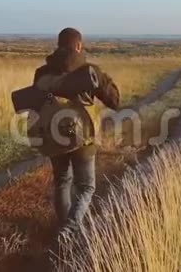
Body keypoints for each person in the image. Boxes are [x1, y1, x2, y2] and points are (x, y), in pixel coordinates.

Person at [33, 27, 119, 235]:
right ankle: (70, 229)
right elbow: (115, 101)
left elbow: (36, 104)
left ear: (59, 45)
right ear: (79, 46)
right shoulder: (90, 70)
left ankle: (63, 226)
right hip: (84, 139)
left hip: (54, 134)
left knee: (62, 181)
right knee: (87, 186)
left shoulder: (42, 72)